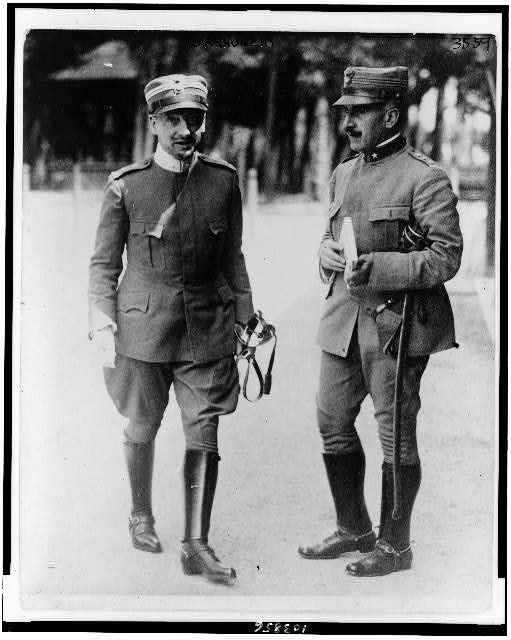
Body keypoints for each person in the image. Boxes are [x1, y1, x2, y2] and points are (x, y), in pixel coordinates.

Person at [88, 74, 253, 585]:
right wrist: (101, 320)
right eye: (174, 119)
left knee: (204, 429)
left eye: (195, 119)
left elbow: (234, 260)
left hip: (205, 328)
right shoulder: (126, 187)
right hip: (142, 330)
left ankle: (196, 544)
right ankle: (141, 514)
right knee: (142, 424)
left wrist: (248, 319)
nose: (186, 129)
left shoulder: (223, 181)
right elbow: (102, 264)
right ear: (154, 122)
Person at [298, 66, 463, 576]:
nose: (348, 121)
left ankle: (396, 545)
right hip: (343, 319)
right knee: (331, 420)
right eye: (345, 112)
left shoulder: (425, 177)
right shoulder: (344, 173)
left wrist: (384, 267)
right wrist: (325, 255)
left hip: (396, 324)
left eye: (359, 112)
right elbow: (334, 237)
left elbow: (447, 256)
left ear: (390, 114)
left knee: (396, 436)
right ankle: (354, 528)